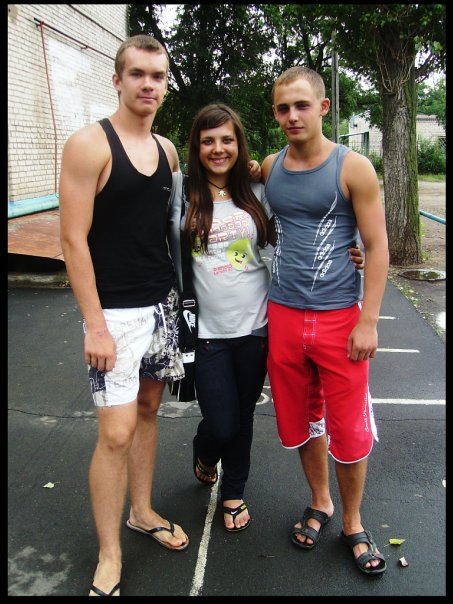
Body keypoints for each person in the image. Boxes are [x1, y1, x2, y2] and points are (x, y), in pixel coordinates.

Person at [168, 103, 365, 533]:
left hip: (257, 327)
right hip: (207, 332)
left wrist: (352, 251)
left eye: (227, 140)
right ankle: (205, 451)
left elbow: (305, 225)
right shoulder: (182, 191)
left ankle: (233, 492)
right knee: (221, 423)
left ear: (239, 145)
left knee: (242, 418)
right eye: (207, 141)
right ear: (196, 147)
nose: (218, 149)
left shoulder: (257, 189)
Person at [59, 35, 190, 598]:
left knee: (148, 410)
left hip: (161, 305)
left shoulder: (167, 151)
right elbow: (73, 239)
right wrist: (95, 325)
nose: (148, 85)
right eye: (137, 74)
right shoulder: (90, 145)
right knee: (115, 434)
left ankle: (141, 511)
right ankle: (109, 554)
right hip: (113, 314)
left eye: (157, 76)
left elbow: (170, 228)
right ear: (117, 80)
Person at [261, 66, 389, 576]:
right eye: (282, 108)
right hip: (283, 315)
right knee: (301, 419)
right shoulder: (269, 166)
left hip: (340, 318)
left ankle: (353, 522)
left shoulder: (352, 167)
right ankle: (321, 501)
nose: (292, 116)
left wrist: (369, 320)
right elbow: (230, 174)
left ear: (323, 107)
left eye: (301, 105)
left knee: (349, 426)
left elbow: (377, 246)